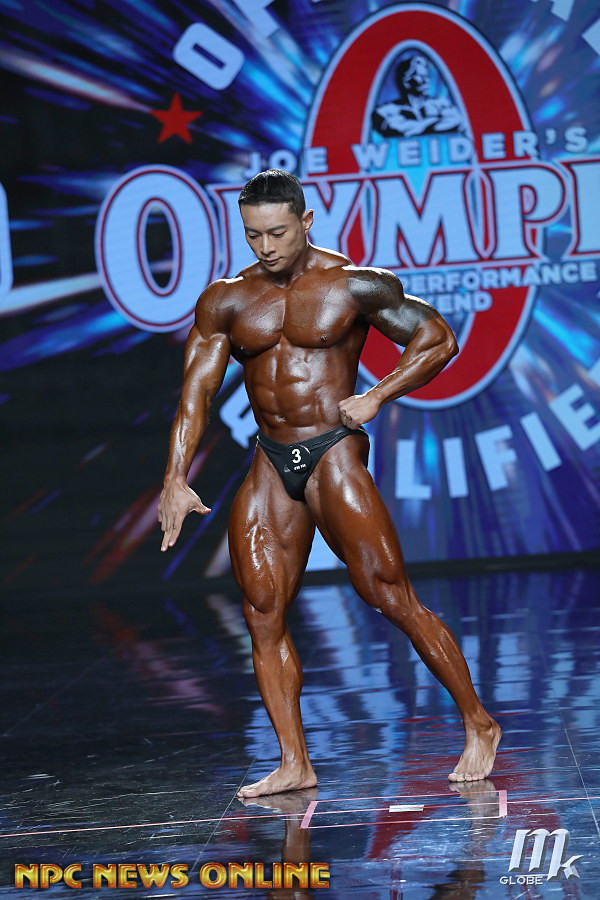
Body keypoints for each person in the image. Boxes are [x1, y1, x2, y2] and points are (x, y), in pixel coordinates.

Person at [157, 169, 501, 798]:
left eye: (278, 232)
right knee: (262, 611)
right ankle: (295, 762)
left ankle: (479, 723)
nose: (266, 246)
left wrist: (377, 395)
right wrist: (175, 477)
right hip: (270, 457)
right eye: (254, 234)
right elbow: (195, 392)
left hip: (332, 450)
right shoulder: (226, 300)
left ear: (306, 221)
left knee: (388, 594)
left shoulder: (353, 284)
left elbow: (438, 339)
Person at [372, 54, 464, 137]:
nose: (426, 81)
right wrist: (437, 120)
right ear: (406, 82)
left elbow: (457, 121)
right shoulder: (385, 111)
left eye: (427, 76)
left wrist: (418, 126)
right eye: (421, 76)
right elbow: (399, 130)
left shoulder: (441, 104)